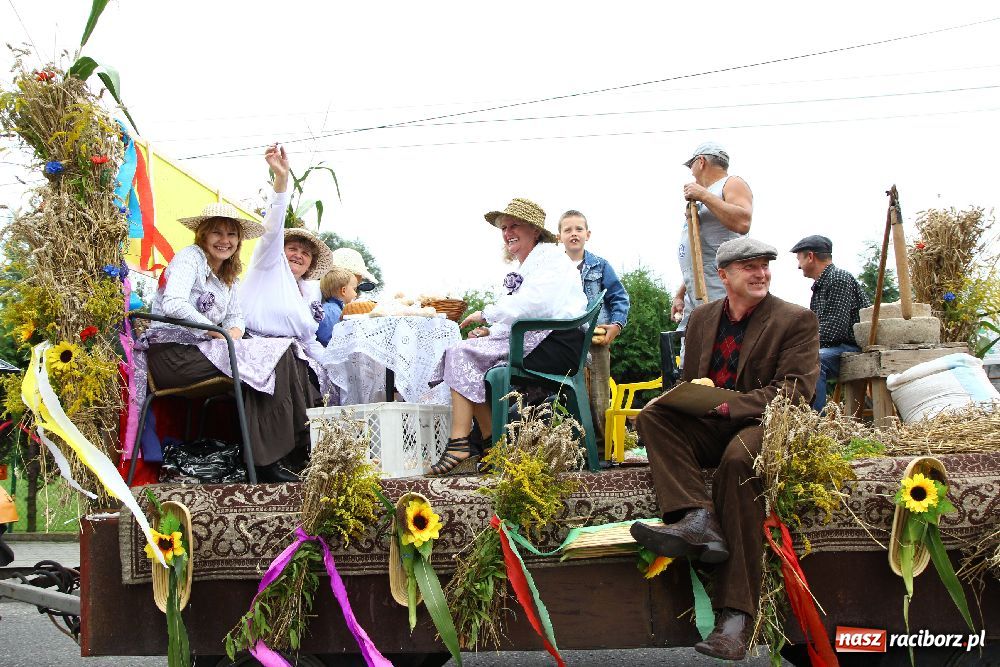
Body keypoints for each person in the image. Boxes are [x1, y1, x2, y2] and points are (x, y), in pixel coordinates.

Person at [630, 237, 819, 661]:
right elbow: (691, 379)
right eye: (749, 267)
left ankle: (735, 618)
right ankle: (697, 517)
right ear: (724, 275)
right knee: (653, 415)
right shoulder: (701, 318)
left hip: (764, 422)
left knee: (737, 462)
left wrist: (728, 405)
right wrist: (685, 398)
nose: (761, 273)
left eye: (765, 265)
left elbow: (795, 393)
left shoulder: (795, 319)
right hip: (712, 421)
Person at [139, 193, 320, 483]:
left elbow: (236, 318)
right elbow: (174, 304)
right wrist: (215, 330)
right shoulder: (190, 258)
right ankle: (265, 460)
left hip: (204, 350)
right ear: (203, 234)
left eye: (232, 234)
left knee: (287, 353)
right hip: (173, 355)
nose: (225, 240)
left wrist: (232, 332)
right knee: (268, 359)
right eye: (217, 232)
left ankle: (296, 449)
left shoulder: (229, 274)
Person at [428, 198, 587, 475]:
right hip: (539, 339)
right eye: (504, 228)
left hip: (557, 344)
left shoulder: (551, 259)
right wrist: (491, 332)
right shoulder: (528, 266)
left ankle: (460, 444)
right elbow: (521, 315)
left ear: (534, 230)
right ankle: (494, 446)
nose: (507, 232)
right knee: (466, 353)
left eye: (514, 226)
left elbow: (535, 306)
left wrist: (486, 314)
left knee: (460, 354)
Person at [239, 145, 334, 367]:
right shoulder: (269, 265)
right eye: (293, 248)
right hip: (256, 352)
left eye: (306, 253)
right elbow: (273, 228)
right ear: (279, 251)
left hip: (294, 356)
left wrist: (333, 367)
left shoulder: (309, 290)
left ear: (311, 264)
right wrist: (281, 179)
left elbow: (309, 340)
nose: (299, 255)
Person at [559, 209, 630, 449]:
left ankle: (601, 448)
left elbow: (619, 297)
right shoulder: (554, 268)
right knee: (568, 392)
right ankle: (573, 448)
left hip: (596, 337)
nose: (574, 234)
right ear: (559, 237)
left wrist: (617, 325)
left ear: (587, 234)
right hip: (564, 339)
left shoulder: (600, 266)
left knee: (598, 395)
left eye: (579, 229)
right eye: (568, 230)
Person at [672, 142, 753, 331]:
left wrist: (703, 195)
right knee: (692, 343)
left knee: (722, 338)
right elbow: (700, 254)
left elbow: (743, 222)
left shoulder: (731, 183)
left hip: (721, 283)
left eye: (691, 165)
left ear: (701, 162)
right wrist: (681, 293)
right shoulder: (705, 194)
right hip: (698, 286)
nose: (691, 172)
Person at [792, 234, 871, 409]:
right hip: (837, 347)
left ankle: (814, 421)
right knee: (792, 359)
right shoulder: (822, 284)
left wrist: (799, 345)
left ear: (810, 256)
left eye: (799, 259)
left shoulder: (838, 278)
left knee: (812, 361)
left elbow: (834, 330)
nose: (798, 266)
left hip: (853, 347)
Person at [316, 266, 358, 346]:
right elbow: (329, 338)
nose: (356, 294)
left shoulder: (337, 309)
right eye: (354, 289)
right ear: (343, 291)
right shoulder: (331, 310)